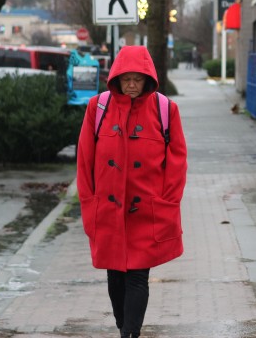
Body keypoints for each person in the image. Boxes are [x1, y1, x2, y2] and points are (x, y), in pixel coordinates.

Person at [76, 45, 188, 338]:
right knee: (115, 278)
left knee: (138, 277)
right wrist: (88, 201)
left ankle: (130, 334)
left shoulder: (166, 110)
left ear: (148, 79)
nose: (132, 85)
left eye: (138, 79)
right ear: (116, 79)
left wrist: (168, 203)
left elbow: (177, 162)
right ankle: (123, 327)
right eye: (126, 79)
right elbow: (85, 160)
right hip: (108, 210)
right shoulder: (97, 108)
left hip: (146, 212)